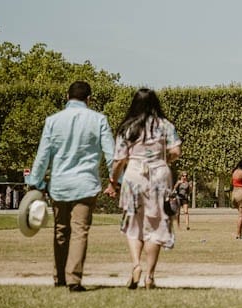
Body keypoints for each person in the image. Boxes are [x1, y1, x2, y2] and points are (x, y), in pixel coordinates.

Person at [26, 80, 116, 291]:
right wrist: (115, 180)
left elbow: (43, 156)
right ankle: (74, 279)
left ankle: (59, 277)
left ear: (67, 97)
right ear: (89, 99)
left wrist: (35, 183)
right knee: (79, 231)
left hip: (60, 184)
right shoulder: (99, 120)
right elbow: (111, 154)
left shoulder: (53, 121)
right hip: (86, 183)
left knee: (60, 230)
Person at [110, 88, 182, 289]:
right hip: (159, 175)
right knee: (156, 225)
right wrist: (166, 159)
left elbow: (118, 160)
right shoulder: (164, 125)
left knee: (134, 224)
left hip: (134, 175)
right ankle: (150, 275)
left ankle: (135, 265)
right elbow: (176, 150)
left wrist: (112, 182)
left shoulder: (127, 127)